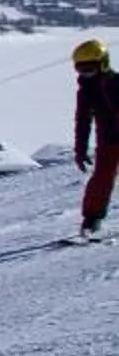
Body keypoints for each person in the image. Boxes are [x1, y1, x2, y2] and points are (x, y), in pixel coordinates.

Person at [73, 38, 116, 241]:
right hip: (108, 142)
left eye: (89, 70)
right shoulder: (86, 91)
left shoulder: (116, 84)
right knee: (100, 180)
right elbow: (82, 121)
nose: (85, 75)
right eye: (80, 70)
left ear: (103, 64)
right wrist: (80, 150)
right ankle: (91, 221)